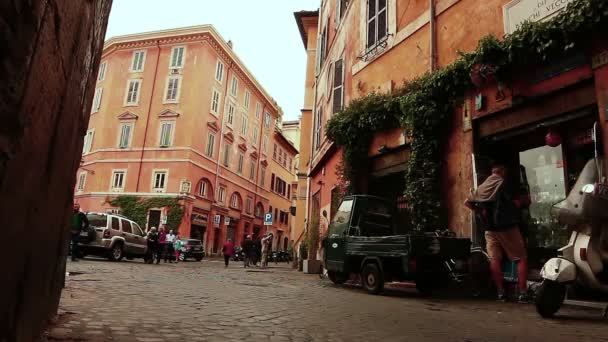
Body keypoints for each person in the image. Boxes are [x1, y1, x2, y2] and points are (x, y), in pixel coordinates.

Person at [465, 163, 529, 303]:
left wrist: (479, 212)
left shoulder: (482, 187)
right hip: (507, 227)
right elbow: (518, 203)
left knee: (495, 259)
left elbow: (467, 202)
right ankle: (523, 293)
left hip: (489, 229)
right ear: (502, 171)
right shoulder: (504, 184)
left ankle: (500, 293)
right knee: (521, 258)